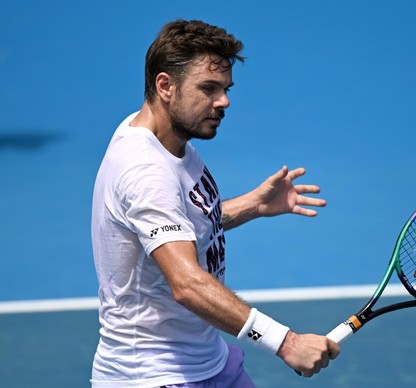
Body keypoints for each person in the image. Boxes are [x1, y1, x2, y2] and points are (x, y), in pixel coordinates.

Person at [90, 19, 340, 387]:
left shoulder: (167, 141)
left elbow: (179, 223)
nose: (223, 101)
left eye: (225, 88)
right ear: (165, 86)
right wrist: (286, 343)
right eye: (208, 88)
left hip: (211, 362)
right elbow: (187, 284)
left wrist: (251, 206)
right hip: (155, 376)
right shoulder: (145, 170)